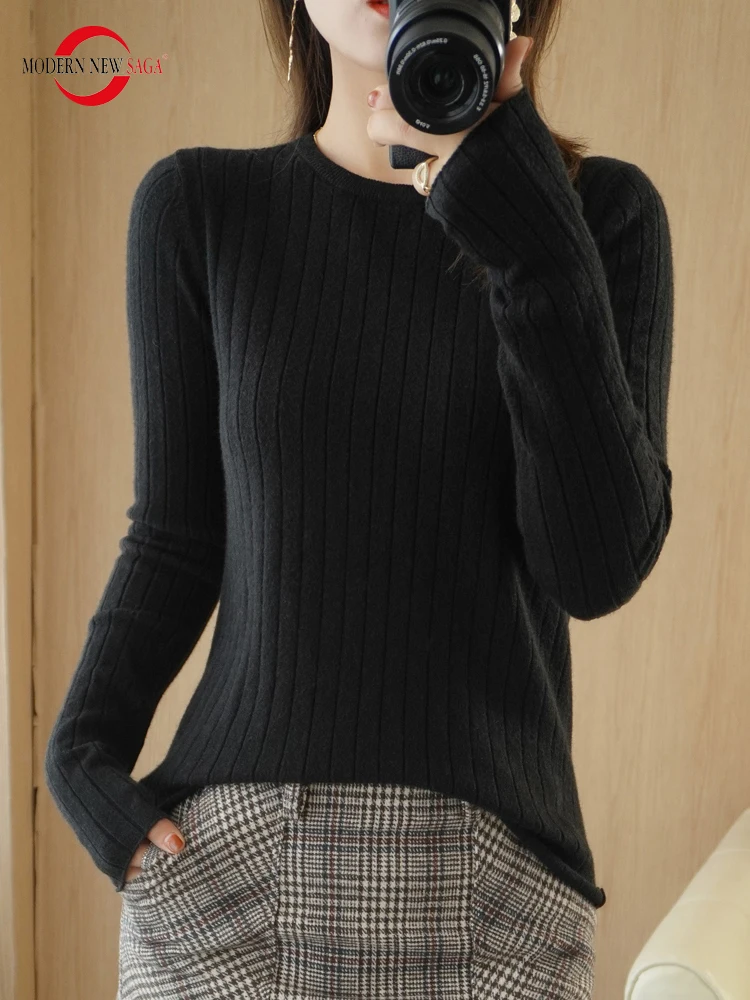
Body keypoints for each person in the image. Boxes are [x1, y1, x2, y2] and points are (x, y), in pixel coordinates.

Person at [45, 0, 675, 996]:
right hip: (224, 884)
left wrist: (528, 234)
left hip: (499, 905)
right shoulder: (198, 206)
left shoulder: (602, 216)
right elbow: (174, 538)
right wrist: (81, 752)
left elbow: (595, 568)